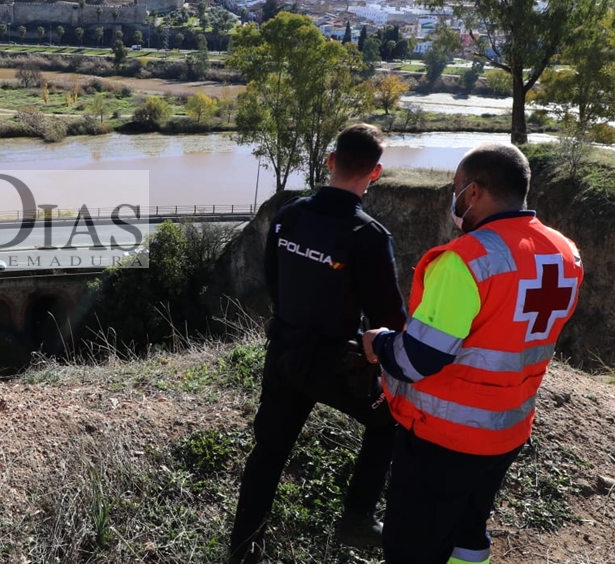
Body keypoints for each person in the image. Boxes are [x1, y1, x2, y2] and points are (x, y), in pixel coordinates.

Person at [364, 143, 583, 564]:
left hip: (444, 436)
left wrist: (380, 341)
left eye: (456, 187)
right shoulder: (565, 252)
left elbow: (416, 361)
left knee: (413, 544)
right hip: (508, 428)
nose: (455, 197)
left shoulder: (468, 260)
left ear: (475, 192)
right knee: (468, 530)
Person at [227, 123, 408, 563]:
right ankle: (357, 519)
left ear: (330, 161)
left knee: (268, 450)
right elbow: (390, 317)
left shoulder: (289, 215)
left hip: (285, 351)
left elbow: (274, 281)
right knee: (390, 423)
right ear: (376, 172)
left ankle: (243, 550)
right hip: (336, 364)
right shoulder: (368, 236)